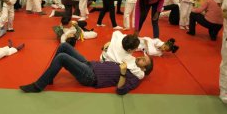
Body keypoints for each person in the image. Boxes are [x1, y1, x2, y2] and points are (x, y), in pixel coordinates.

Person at [19, 42, 152, 95]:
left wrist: (123, 73)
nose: (141, 58)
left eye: (144, 60)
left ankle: (38, 86)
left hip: (90, 76)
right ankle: (50, 77)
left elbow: (120, 90)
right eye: (143, 57)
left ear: (145, 69)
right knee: (64, 46)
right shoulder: (132, 62)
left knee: (62, 57)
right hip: (90, 65)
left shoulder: (136, 77)